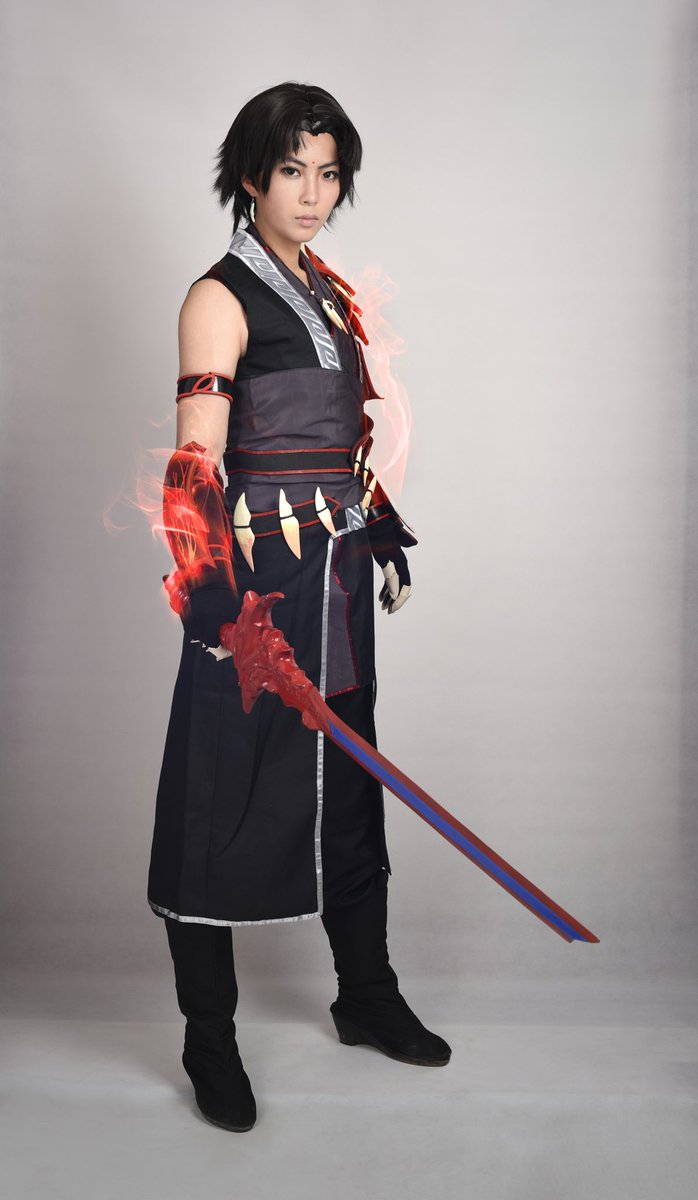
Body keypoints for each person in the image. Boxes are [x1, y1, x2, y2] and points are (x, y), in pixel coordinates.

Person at [147, 81, 451, 1134]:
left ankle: (366, 995)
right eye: (292, 171)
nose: (313, 194)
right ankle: (208, 1037)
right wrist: (220, 610)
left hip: (335, 583)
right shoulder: (218, 296)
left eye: (328, 174)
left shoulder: (328, 293)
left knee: (349, 782)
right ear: (250, 176)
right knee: (220, 797)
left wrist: (382, 531)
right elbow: (194, 468)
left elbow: (342, 451)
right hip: (251, 596)